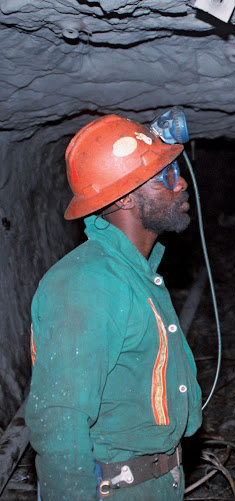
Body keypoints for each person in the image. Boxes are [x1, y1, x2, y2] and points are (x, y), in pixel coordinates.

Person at [26, 114, 203, 500]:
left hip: (156, 482)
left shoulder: (136, 273)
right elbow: (59, 421)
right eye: (166, 176)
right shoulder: (86, 283)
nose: (182, 182)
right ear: (124, 196)